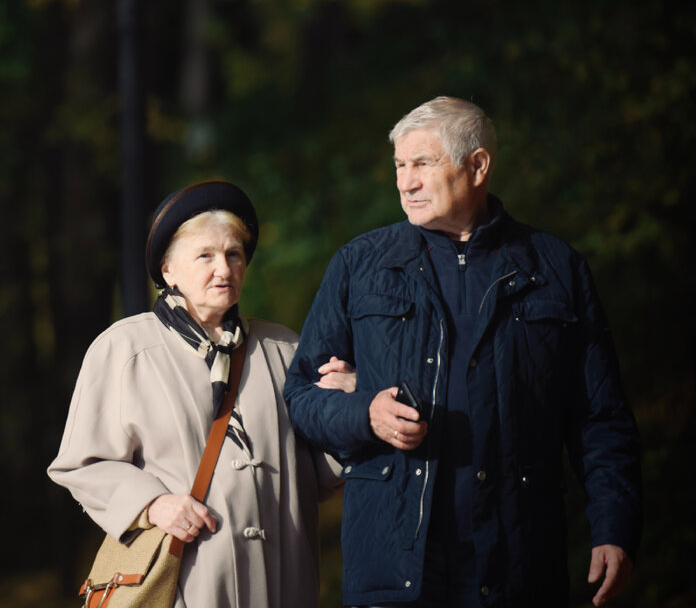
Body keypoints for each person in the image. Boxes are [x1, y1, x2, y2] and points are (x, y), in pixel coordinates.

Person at [284, 97, 642, 608]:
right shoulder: (358, 265)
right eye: (399, 165)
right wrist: (365, 412)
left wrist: (614, 526)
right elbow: (300, 396)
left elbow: (600, 417)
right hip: (392, 568)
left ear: (477, 166)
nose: (406, 182)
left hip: (519, 565)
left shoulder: (556, 268)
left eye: (422, 163)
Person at [48, 179, 353, 607]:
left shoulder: (285, 348)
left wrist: (347, 408)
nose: (224, 269)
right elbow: (82, 464)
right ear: (168, 270)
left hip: (284, 587)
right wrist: (152, 504)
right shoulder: (126, 349)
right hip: (185, 587)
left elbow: (322, 474)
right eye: (205, 255)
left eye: (234, 254)